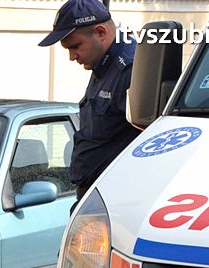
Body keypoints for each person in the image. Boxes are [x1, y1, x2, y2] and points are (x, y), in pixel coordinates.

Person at [39, 0, 140, 205]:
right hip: (94, 195)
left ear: (101, 32)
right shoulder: (103, 65)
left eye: (75, 46)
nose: (71, 56)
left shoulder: (131, 69)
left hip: (115, 200)